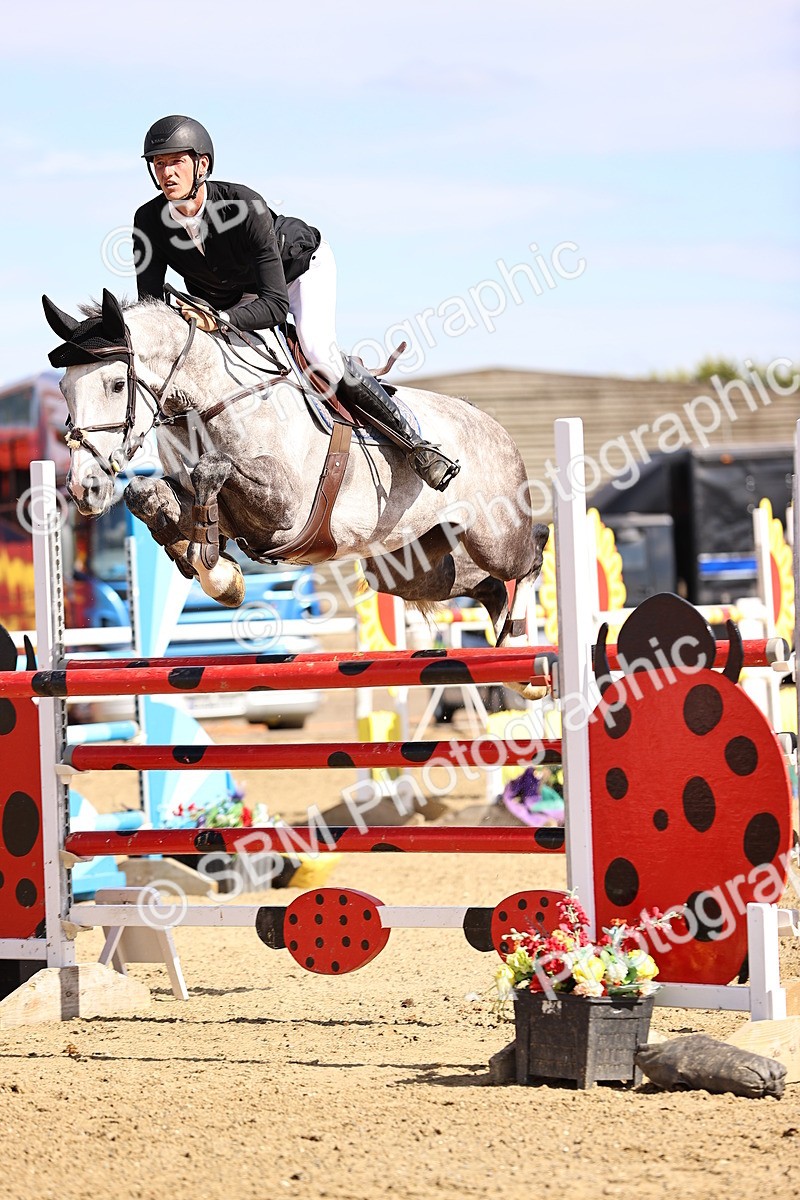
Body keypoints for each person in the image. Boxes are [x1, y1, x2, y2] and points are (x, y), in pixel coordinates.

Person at [132, 115, 459, 491]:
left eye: (176, 161)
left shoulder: (244, 205)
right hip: (234, 293)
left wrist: (219, 319)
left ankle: (416, 446)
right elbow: (150, 310)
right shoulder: (148, 221)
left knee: (319, 353)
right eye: (159, 163)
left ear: (201, 164)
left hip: (298, 271)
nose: (167, 172)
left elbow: (273, 305)